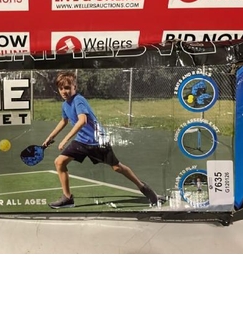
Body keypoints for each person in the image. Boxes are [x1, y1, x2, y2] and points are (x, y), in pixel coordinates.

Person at [43, 71, 159, 209]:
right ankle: (67, 198)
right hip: (81, 141)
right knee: (59, 162)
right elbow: (64, 121)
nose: (64, 91)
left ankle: (143, 187)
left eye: (67, 87)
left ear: (75, 87)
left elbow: (82, 121)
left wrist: (65, 139)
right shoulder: (65, 105)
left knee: (117, 167)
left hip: (97, 141)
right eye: (61, 88)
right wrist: (50, 137)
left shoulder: (78, 100)